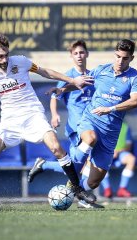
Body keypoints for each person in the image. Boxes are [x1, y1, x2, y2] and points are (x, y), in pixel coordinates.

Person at [0, 34, 95, 211]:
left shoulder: (20, 61)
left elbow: (45, 71)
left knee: (57, 148)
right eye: (0, 56)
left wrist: (72, 80)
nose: (5, 59)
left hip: (33, 115)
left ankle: (78, 189)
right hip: (9, 121)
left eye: (6, 54)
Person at [64, 39, 137, 206]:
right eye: (117, 56)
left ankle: (74, 194)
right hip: (90, 121)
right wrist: (61, 89)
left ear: (132, 58)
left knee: (94, 182)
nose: (120, 61)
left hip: (110, 133)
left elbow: (135, 101)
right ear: (114, 54)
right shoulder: (101, 70)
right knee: (90, 139)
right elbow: (80, 82)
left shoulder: (135, 78)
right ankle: (65, 181)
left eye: (125, 58)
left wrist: (111, 108)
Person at [27, 40, 94, 179]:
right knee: (81, 165)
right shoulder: (68, 76)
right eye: (76, 53)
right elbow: (54, 95)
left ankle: (44, 165)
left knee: (75, 167)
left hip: (92, 124)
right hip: (78, 126)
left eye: (82, 52)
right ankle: (46, 166)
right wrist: (54, 114)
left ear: (87, 54)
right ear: (71, 56)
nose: (79, 56)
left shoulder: (93, 75)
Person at [100, 122, 136, 198]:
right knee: (99, 161)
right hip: (107, 153)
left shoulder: (125, 127)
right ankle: (107, 189)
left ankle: (122, 189)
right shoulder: (103, 125)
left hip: (121, 153)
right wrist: (110, 152)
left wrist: (118, 151)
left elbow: (128, 146)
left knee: (131, 159)